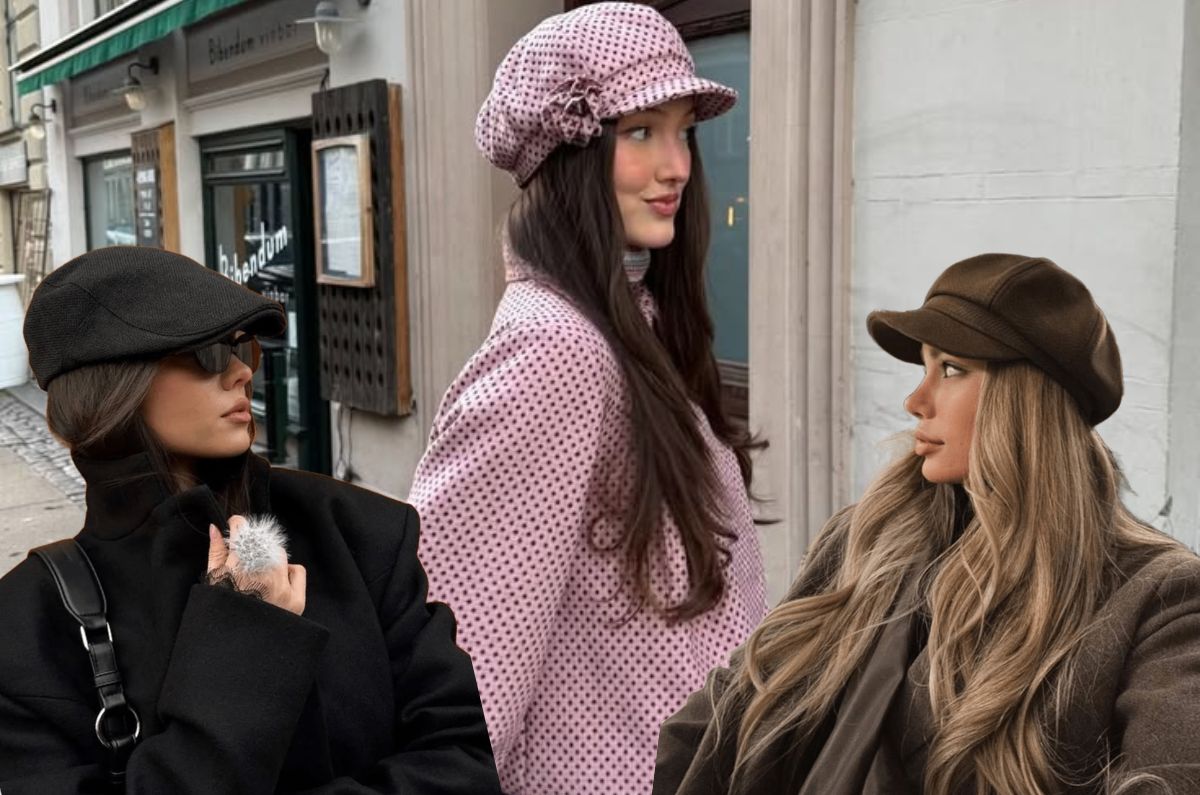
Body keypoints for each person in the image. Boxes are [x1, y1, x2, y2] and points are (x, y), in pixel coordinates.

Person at [654, 253, 1200, 794]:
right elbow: (719, 713)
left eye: (952, 369)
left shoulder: (1159, 599)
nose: (916, 400)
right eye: (924, 366)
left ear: (1027, 401)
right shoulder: (866, 540)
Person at [408, 3, 768, 793]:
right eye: (641, 132)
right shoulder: (556, 350)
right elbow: (465, 663)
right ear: (568, 154)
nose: (676, 165)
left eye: (684, 131)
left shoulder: (636, 328)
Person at [0, 246, 501, 794]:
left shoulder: (353, 530)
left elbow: (464, 759)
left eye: (246, 351)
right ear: (115, 385)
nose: (241, 372)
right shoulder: (29, 627)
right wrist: (244, 644)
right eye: (212, 354)